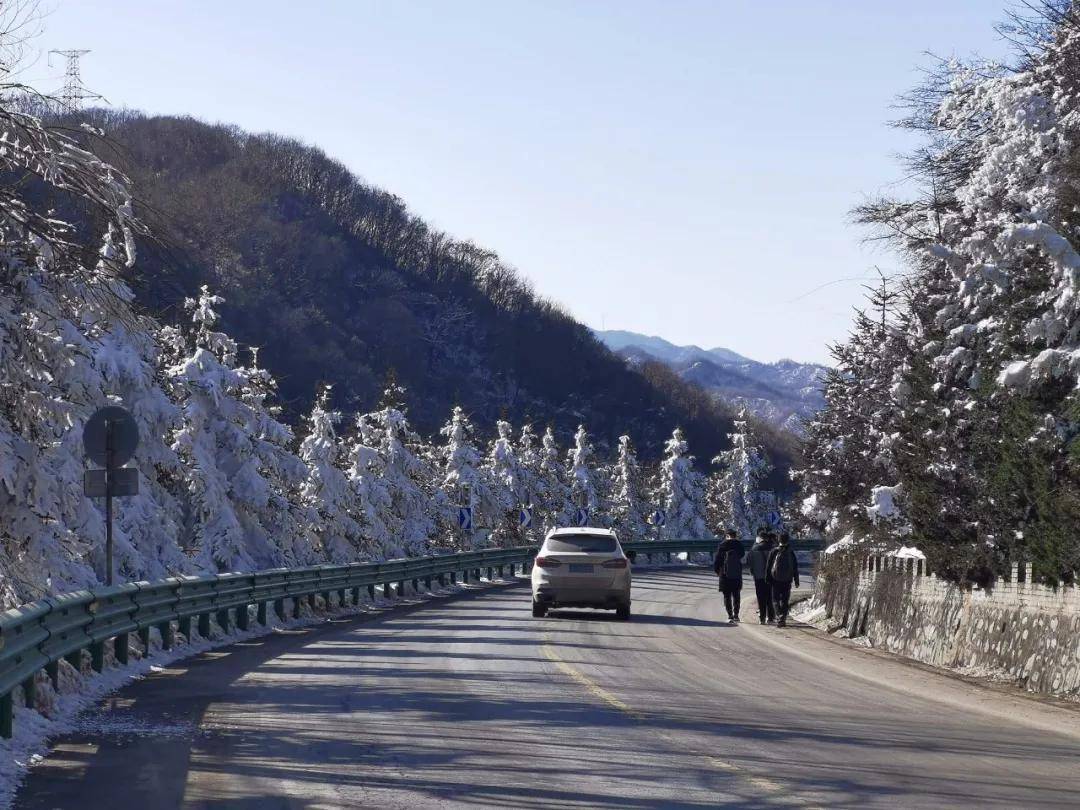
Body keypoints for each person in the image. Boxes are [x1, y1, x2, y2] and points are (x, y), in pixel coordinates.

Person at [766, 532, 800, 627]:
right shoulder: (790, 552)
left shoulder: (774, 551)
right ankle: (783, 618)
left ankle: (779, 616)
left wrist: (767, 578)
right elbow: (795, 567)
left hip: (775, 580)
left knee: (775, 600)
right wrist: (796, 580)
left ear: (778, 540)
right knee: (785, 600)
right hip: (787, 580)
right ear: (788, 540)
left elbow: (768, 566)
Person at [713, 529, 745, 624]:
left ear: (727, 535)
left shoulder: (722, 545)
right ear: (735, 535)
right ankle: (736, 615)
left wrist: (717, 571)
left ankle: (730, 615)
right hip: (736, 573)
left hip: (724, 573)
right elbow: (742, 555)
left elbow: (717, 559)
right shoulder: (739, 545)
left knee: (727, 595)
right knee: (736, 595)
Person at [747, 530, 776, 625]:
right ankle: (771, 617)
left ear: (759, 538)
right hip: (770, 576)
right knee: (769, 597)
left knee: (760, 597)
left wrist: (753, 570)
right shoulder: (772, 548)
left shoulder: (754, 548)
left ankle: (762, 618)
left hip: (758, 576)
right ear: (767, 538)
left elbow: (749, 561)